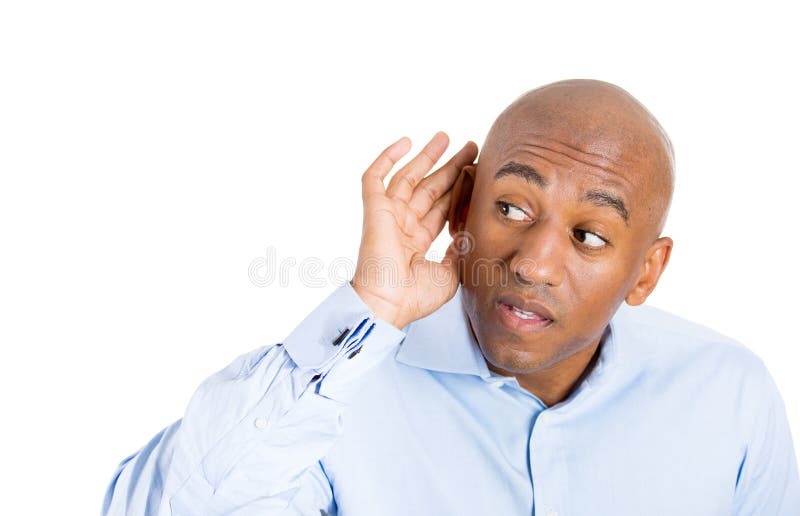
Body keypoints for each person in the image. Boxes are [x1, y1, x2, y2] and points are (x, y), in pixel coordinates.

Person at [102, 79, 800, 515]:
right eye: (513, 209)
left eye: (589, 236)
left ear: (647, 272)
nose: (534, 264)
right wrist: (368, 310)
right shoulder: (334, 399)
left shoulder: (729, 397)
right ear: (462, 211)